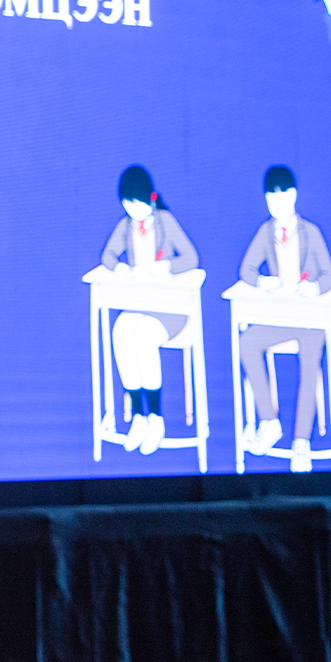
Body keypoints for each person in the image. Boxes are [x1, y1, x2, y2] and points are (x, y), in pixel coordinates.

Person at [236, 165, 331, 472]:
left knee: (309, 361)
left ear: (294, 196)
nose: (277, 204)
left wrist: (313, 287)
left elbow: (330, 276)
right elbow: (246, 270)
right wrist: (264, 282)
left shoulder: (310, 232)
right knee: (247, 341)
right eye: (271, 198)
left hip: (309, 320)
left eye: (283, 197)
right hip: (279, 317)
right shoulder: (265, 232)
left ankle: (301, 441)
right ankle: (269, 421)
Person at [96, 163, 200, 454]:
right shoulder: (126, 225)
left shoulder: (165, 221)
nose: (133, 211)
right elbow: (107, 255)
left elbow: (191, 258)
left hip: (170, 310)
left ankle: (156, 418)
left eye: (137, 204)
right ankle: (139, 417)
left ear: (150, 199)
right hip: (139, 305)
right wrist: (119, 267)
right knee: (120, 331)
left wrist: (166, 266)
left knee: (142, 336)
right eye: (127, 205)